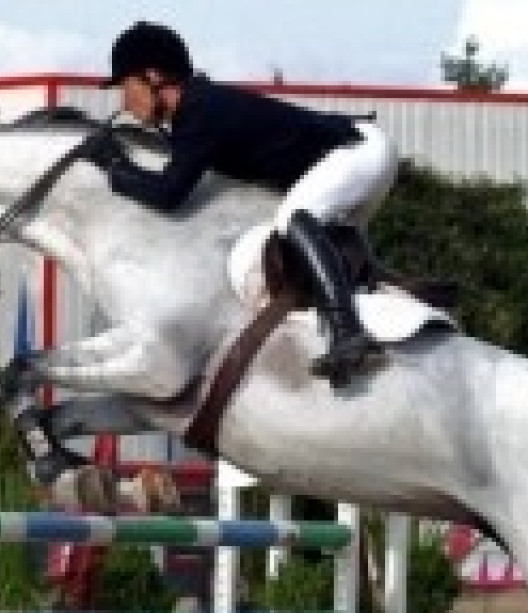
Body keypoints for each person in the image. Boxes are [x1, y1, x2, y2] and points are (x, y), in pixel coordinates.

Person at [90, 21, 398, 387]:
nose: (124, 102)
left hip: (357, 151)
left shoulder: (199, 111)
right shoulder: (197, 110)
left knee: (291, 220)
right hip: (357, 152)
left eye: (126, 87)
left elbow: (169, 193)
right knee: (302, 239)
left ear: (153, 76)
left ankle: (349, 333)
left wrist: (114, 168)